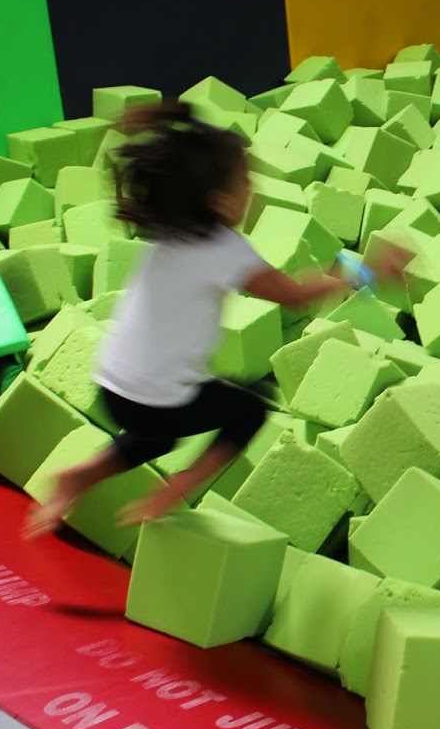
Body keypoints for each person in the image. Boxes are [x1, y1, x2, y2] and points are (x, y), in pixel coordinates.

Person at [23, 101, 408, 539]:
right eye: (246, 180)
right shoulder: (225, 250)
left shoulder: (171, 230)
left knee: (157, 435)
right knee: (250, 410)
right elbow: (294, 296)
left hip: (112, 383)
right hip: (154, 398)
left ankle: (78, 478)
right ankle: (178, 487)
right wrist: (368, 271)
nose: (252, 188)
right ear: (219, 201)